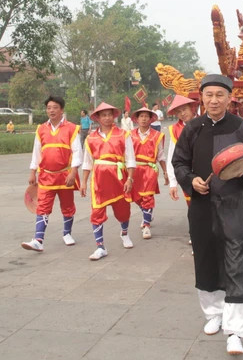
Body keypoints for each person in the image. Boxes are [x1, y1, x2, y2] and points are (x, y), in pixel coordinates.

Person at [171, 74, 243, 356]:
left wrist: (242, 171)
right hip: (202, 204)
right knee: (205, 256)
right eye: (209, 95)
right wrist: (190, 180)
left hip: (235, 204)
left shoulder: (240, 127)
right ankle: (213, 312)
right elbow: (179, 161)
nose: (214, 100)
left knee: (237, 262)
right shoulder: (192, 128)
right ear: (201, 97)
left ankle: (235, 331)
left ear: (228, 98)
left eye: (220, 95)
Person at [21, 96, 83, 252]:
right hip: (46, 176)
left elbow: (77, 152)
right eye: (48, 108)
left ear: (61, 110)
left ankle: (67, 233)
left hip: (65, 175)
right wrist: (32, 172)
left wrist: (73, 172)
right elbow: (36, 152)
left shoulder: (71, 128)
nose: (51, 110)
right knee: (42, 206)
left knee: (68, 206)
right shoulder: (41, 129)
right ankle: (38, 240)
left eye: (55, 107)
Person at [80, 102, 136, 260]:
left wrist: (130, 178)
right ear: (97, 118)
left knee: (123, 211)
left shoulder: (123, 134)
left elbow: (130, 159)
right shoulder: (91, 138)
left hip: (119, 178)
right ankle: (100, 246)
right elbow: (87, 162)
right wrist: (84, 182)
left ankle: (124, 233)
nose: (107, 118)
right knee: (96, 212)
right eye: (103, 115)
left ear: (114, 116)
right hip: (98, 181)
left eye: (109, 114)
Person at [129, 106, 168, 238]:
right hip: (134, 170)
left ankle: (146, 225)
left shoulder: (157, 136)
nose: (144, 119)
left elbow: (161, 156)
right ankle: (147, 213)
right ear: (137, 119)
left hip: (149, 169)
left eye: (146, 116)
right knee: (134, 196)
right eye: (141, 116)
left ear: (151, 119)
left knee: (147, 197)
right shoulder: (130, 135)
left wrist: (165, 172)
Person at [165, 95, 198, 204]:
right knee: (192, 206)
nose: (182, 114)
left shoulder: (205, 122)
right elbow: (172, 157)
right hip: (187, 174)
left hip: (207, 171)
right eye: (178, 112)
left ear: (192, 108)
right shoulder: (175, 130)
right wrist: (173, 183)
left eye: (184, 109)